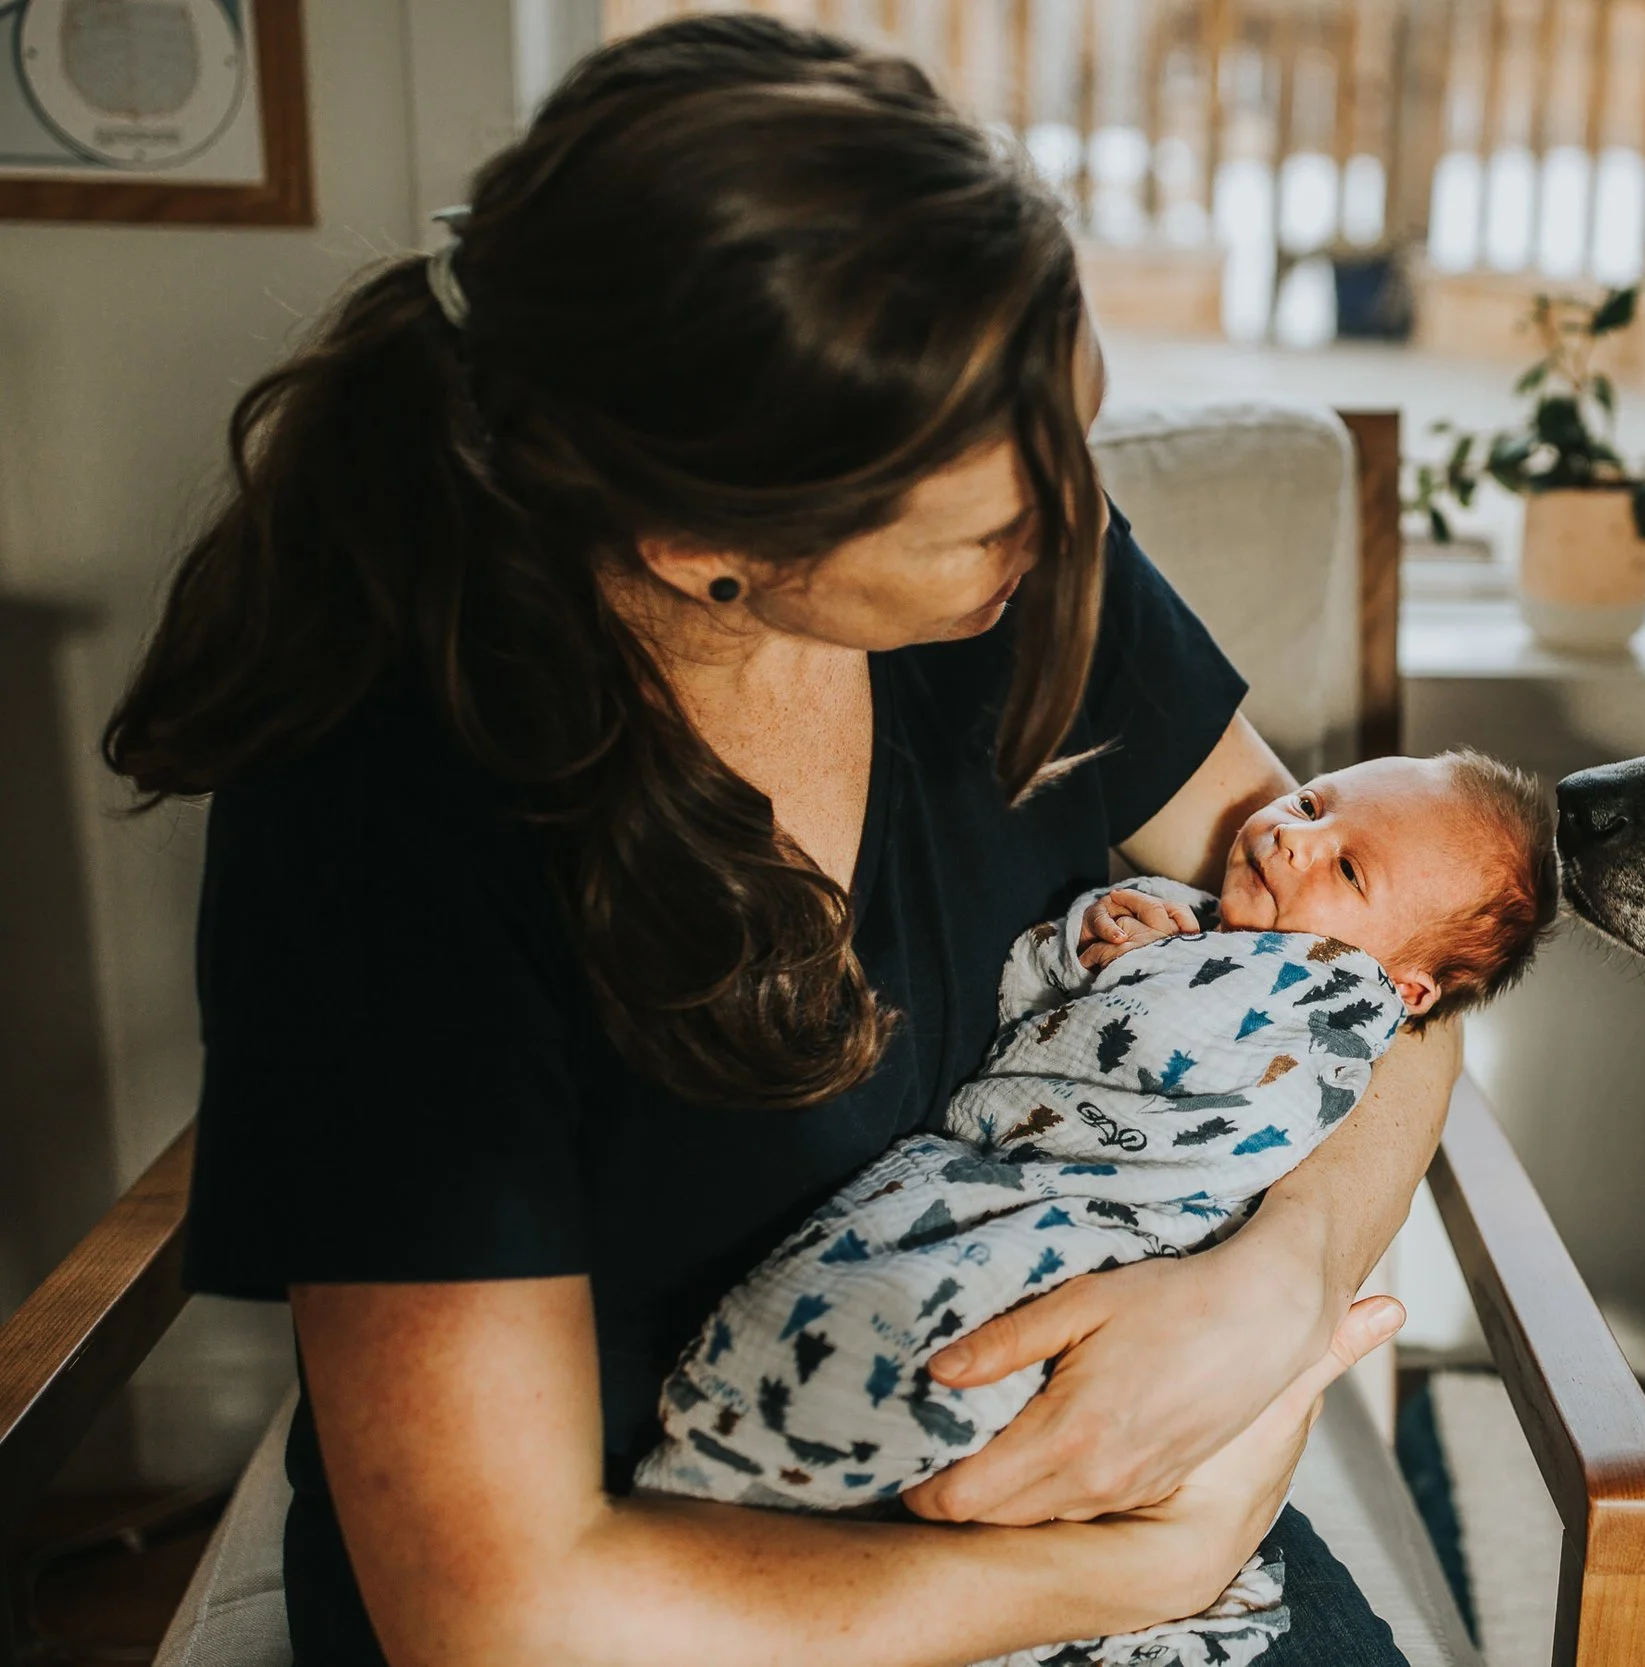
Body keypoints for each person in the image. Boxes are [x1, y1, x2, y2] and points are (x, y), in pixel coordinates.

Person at [102, 17, 1461, 1667]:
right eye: (996, 520)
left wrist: (1282, 1279)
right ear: (705, 550)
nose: (1076, 524)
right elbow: (504, 1612)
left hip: (1096, 1484)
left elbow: (1399, 972)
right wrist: (1128, 1573)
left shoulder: (1031, 582)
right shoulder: (390, 833)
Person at [635, 753, 1556, 1667]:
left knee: (952, 1353)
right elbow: (1029, 1006)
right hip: (990, 1182)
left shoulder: (1333, 1000)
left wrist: (1290, 1261)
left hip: (1120, 1240)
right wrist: (1083, 940)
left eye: (1349, 868)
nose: (1295, 837)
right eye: (1310, 801)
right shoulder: (1187, 919)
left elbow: (1199, 1071)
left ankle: (793, 1477)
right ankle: (762, 1492)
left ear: (1406, 989)